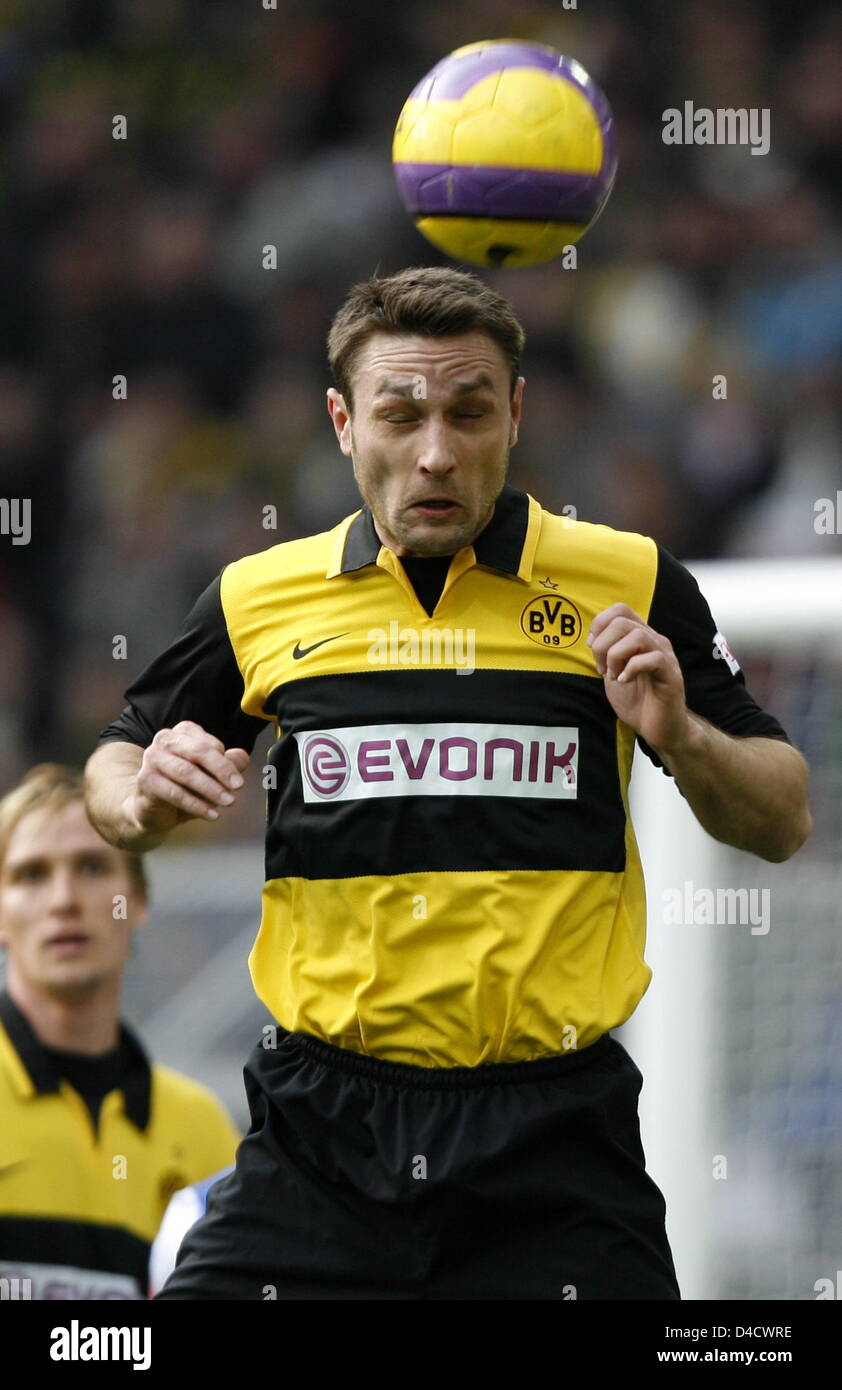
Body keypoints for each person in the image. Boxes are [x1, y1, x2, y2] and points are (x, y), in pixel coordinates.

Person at [84, 265, 812, 1301]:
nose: (435, 450)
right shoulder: (257, 600)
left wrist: (683, 736)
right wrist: (143, 795)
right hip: (320, 1138)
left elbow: (781, 814)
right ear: (341, 422)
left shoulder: (629, 582)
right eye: (399, 413)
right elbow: (112, 767)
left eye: (468, 411)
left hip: (551, 1145)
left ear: (513, 413)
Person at [0, 764, 241, 1300]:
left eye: (92, 867)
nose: (64, 900)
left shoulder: (204, 1132)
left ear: (138, 902)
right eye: (31, 874)